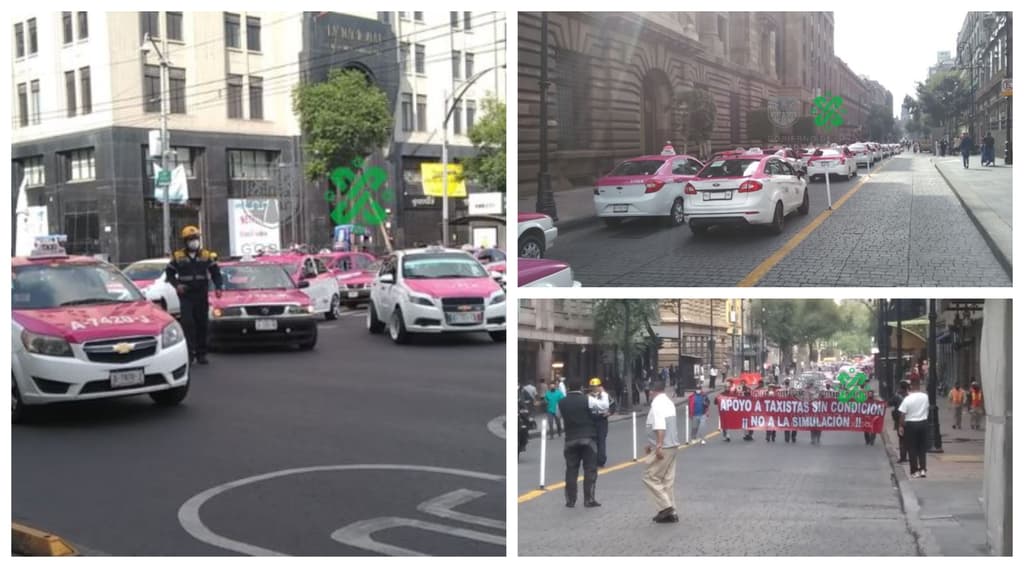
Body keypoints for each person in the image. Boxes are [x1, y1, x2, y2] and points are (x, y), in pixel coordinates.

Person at [165, 225, 223, 364]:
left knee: (202, 324)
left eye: (196, 239)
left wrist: (218, 287)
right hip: (186, 296)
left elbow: (216, 273)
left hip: (201, 294)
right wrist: (177, 285)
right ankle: (189, 354)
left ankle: (201, 354)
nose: (194, 241)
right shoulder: (178, 256)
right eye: (191, 239)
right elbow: (170, 273)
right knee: (188, 323)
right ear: (185, 241)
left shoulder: (206, 255)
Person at [558, 377, 600, 508]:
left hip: (570, 439)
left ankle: (570, 500)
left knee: (571, 469)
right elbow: (602, 407)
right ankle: (589, 499)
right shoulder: (587, 399)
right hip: (588, 438)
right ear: (581, 388)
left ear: (568, 388)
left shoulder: (562, 402)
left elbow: (560, 416)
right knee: (590, 469)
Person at [642, 380, 680, 523]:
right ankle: (671, 513)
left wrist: (658, 445)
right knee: (667, 480)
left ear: (652, 391)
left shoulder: (657, 404)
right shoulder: (668, 402)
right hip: (673, 444)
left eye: (649, 391)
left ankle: (666, 507)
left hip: (664, 446)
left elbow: (660, 426)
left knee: (650, 476)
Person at [898, 378, 930, 478]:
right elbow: (927, 408)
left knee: (912, 448)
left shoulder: (907, 399)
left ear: (910, 387)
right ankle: (923, 469)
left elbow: (902, 414)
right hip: (923, 423)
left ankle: (914, 471)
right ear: (919, 386)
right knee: (922, 448)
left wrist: (901, 426)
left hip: (911, 424)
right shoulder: (925, 397)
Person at [587, 378, 612, 467]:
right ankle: (593, 459)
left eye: (596, 386)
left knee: (601, 440)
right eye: (592, 387)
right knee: (593, 441)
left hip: (602, 420)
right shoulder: (588, 396)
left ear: (599, 386)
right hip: (592, 420)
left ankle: (601, 459)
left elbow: (613, 405)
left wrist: (609, 412)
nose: (594, 388)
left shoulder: (605, 396)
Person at [889, 380, 910, 463]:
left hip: (900, 420)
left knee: (901, 438)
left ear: (900, 388)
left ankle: (903, 457)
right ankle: (908, 456)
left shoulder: (897, 396)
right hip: (909, 419)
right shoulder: (909, 396)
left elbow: (889, 403)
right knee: (907, 438)